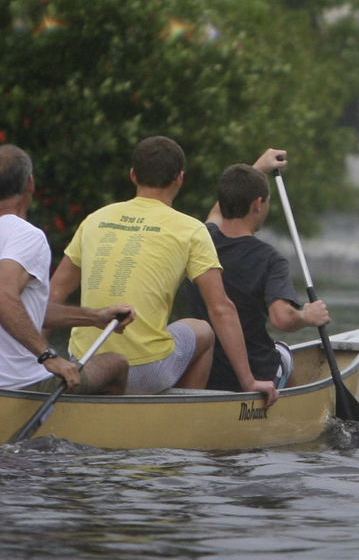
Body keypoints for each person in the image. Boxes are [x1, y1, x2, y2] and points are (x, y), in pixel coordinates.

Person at [49, 136, 279, 407]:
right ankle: (180, 415)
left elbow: (53, 293)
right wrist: (249, 381)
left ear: (133, 175)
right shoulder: (191, 229)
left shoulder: (94, 219)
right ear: (179, 179)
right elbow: (221, 308)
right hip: (146, 374)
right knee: (202, 330)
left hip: (84, 365)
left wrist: (40, 359)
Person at [0, 144, 133, 394]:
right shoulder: (28, 236)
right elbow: (2, 300)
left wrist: (94, 318)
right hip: (17, 385)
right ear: (30, 183)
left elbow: (22, 311)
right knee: (116, 364)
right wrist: (48, 356)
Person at [187, 149, 330, 392]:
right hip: (251, 375)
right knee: (283, 352)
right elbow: (282, 319)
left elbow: (217, 212)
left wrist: (257, 168)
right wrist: (307, 316)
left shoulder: (202, 240)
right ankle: (289, 413)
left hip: (203, 370)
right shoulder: (270, 259)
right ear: (258, 204)